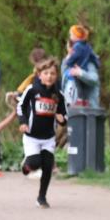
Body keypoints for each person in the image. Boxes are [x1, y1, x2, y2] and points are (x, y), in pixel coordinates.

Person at [17, 58, 66, 208]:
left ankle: (42, 197)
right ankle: (26, 166)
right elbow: (20, 107)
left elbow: (64, 114)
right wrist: (23, 122)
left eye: (52, 73)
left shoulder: (58, 94)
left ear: (56, 75)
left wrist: (62, 119)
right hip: (32, 136)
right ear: (39, 74)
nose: (49, 76)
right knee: (35, 163)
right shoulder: (32, 90)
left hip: (48, 137)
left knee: (47, 165)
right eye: (46, 73)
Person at [61, 25, 101, 112]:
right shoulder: (69, 64)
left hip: (89, 113)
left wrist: (80, 73)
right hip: (72, 113)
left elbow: (94, 79)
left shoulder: (88, 64)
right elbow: (64, 76)